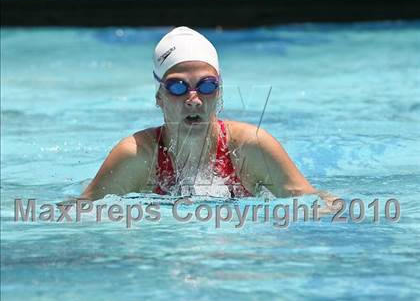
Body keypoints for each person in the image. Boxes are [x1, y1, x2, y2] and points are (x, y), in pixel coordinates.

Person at [81, 26, 322, 201]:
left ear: (219, 93)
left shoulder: (250, 148)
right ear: (159, 97)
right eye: (178, 87)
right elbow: (77, 213)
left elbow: (314, 204)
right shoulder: (137, 156)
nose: (193, 99)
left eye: (206, 85)